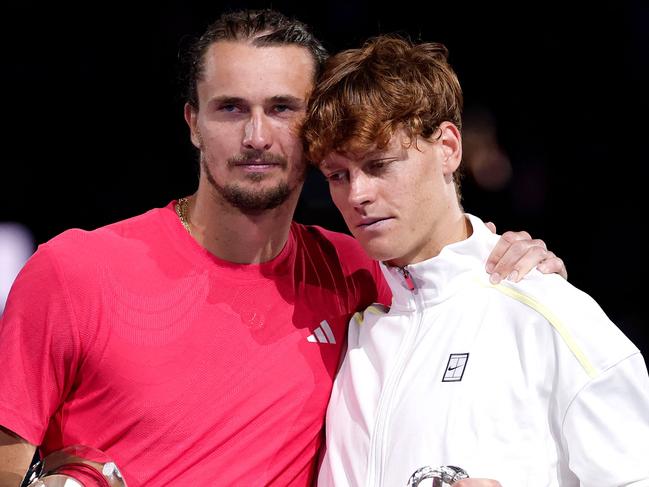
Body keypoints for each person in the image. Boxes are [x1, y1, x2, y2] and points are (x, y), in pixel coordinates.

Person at [0, 10, 567, 487]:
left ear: (317, 127)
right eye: (230, 108)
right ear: (193, 123)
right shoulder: (73, 271)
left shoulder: (363, 277)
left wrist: (514, 260)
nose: (256, 136)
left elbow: (455, 275)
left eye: (281, 108)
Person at [301, 35, 649, 486]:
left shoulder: (546, 314)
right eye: (337, 175)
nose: (357, 195)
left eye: (380, 164)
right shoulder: (357, 327)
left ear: (448, 147)